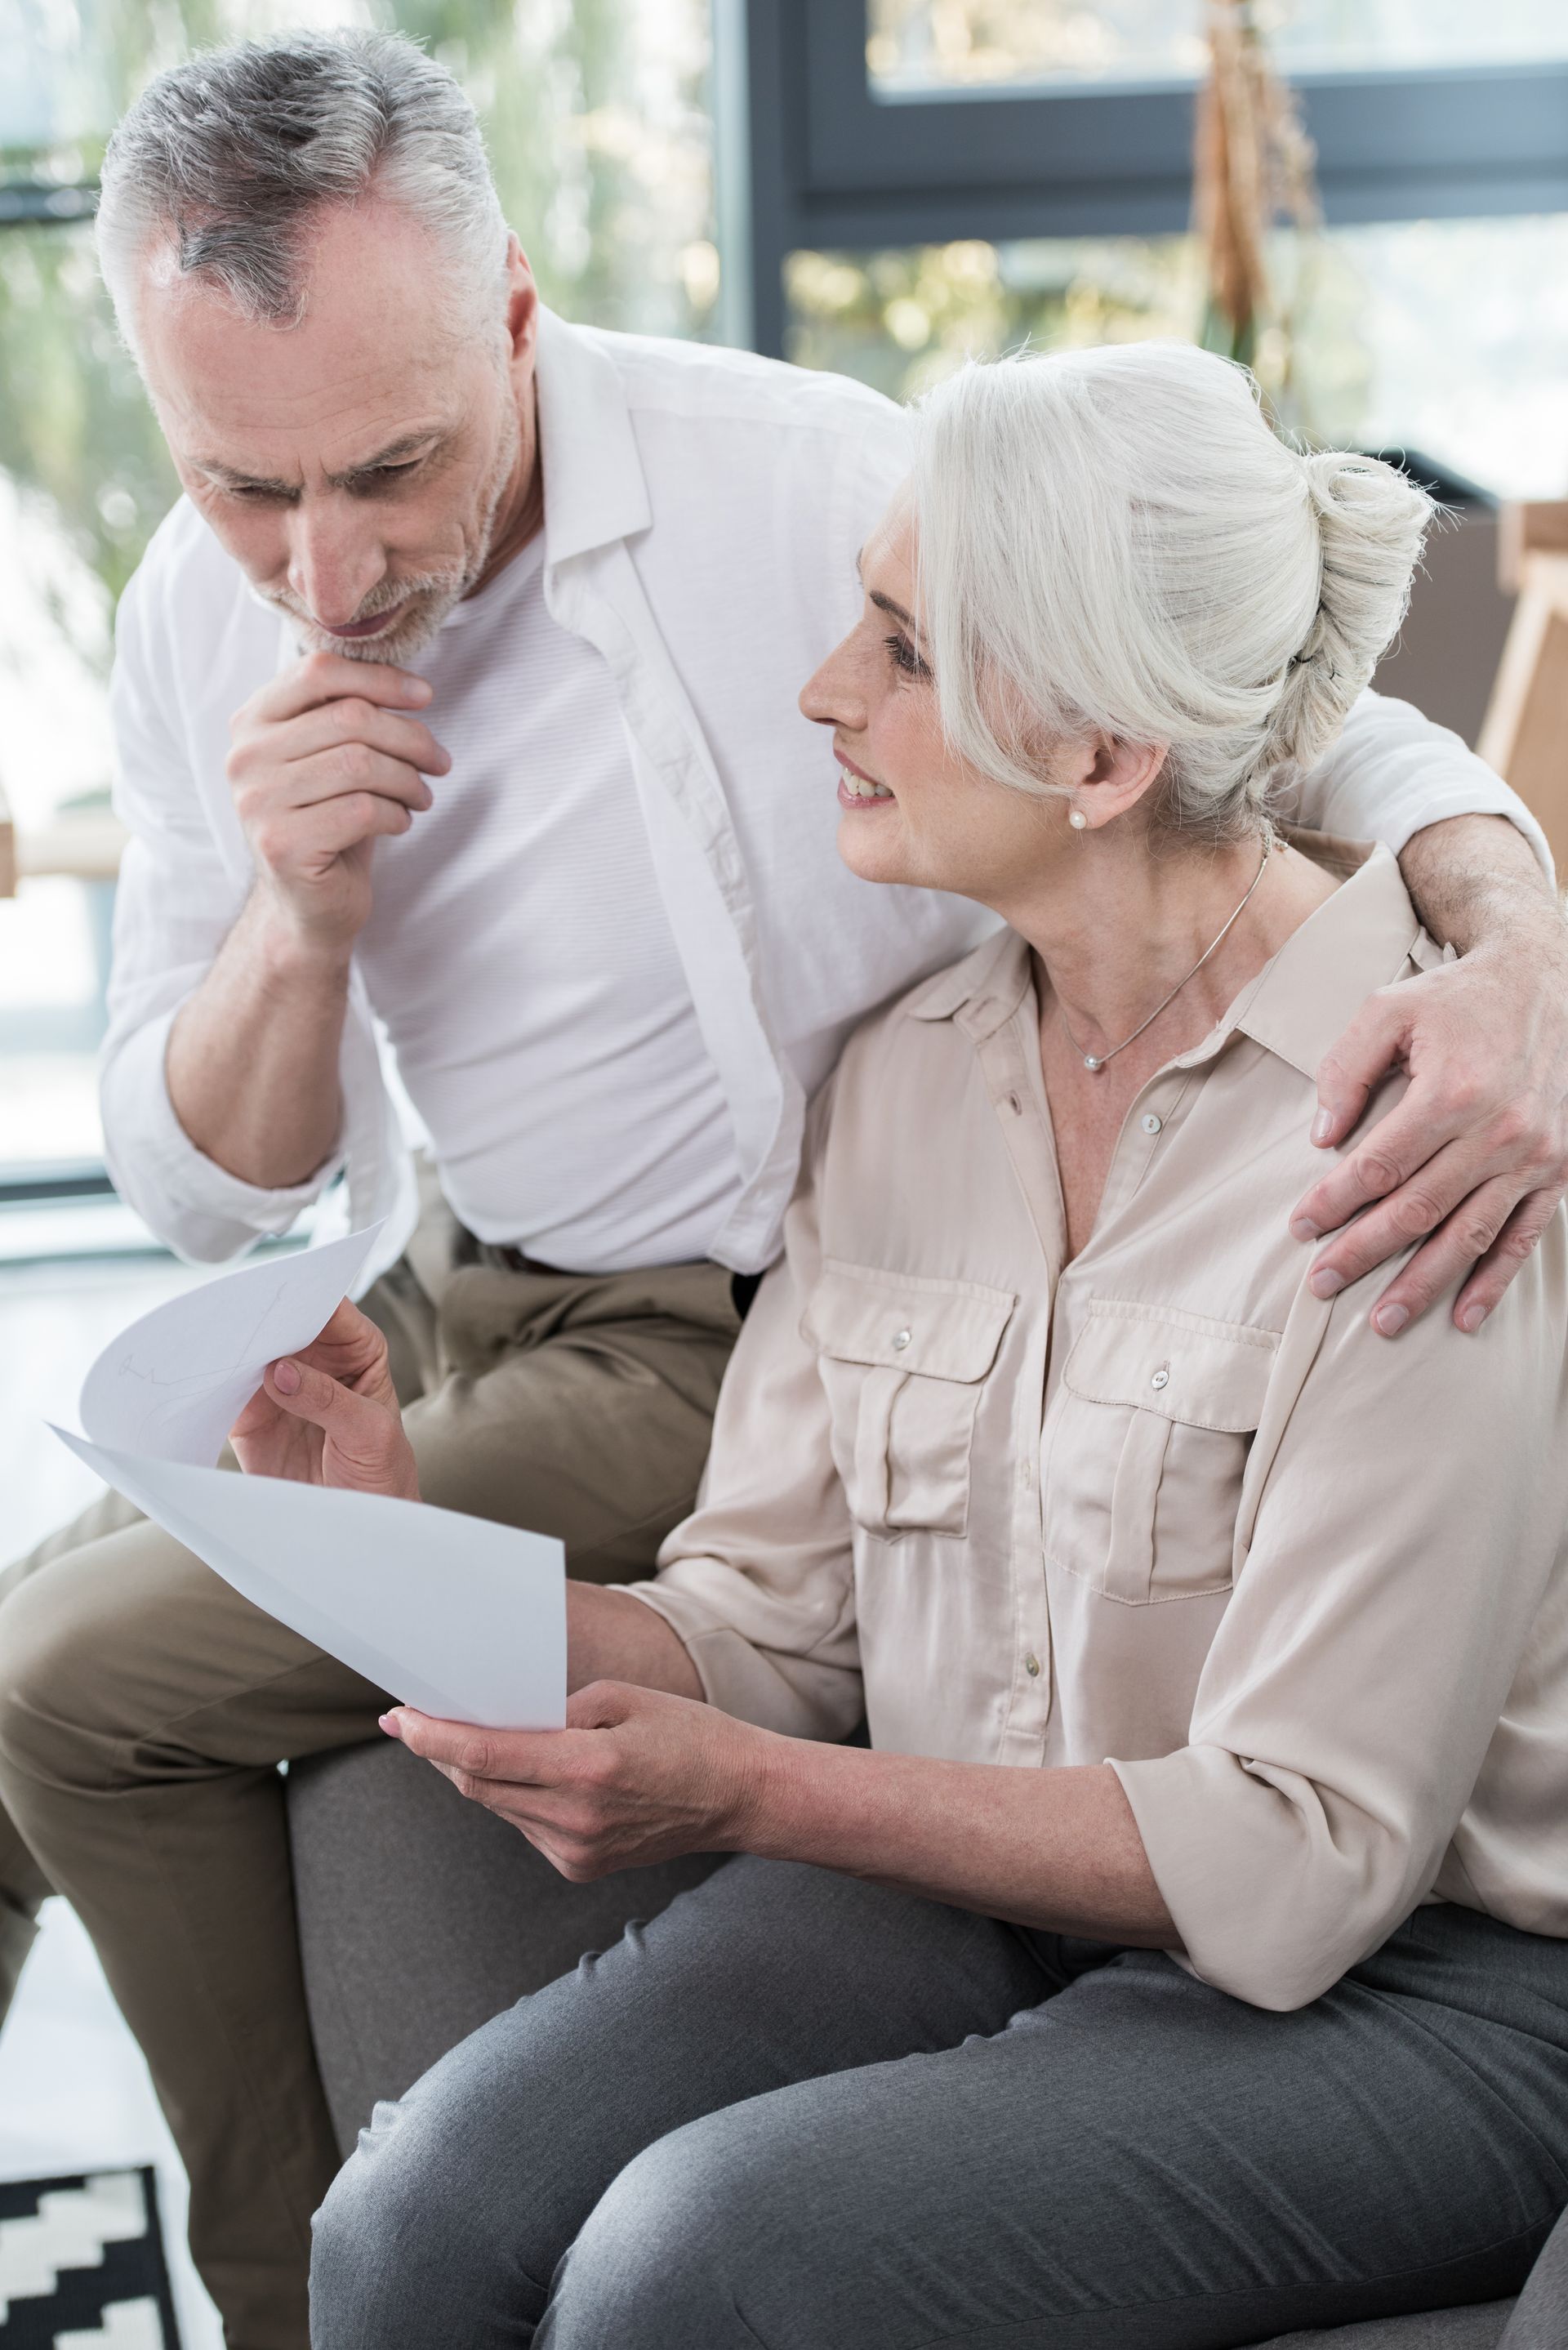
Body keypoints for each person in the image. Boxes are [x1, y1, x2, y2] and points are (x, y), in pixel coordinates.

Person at [1, 29, 1566, 2350]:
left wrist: (1523, 937)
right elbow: (755, 1615)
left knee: (673, 2262)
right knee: (408, 2229)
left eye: (904, 650)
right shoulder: (912, 1081)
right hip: (530, 1337)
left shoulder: (1405, 1125)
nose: (827, 686)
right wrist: (406, 1551)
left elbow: (1286, 1864)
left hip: (1388, 1963)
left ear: (512, 312)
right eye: (246, 490)